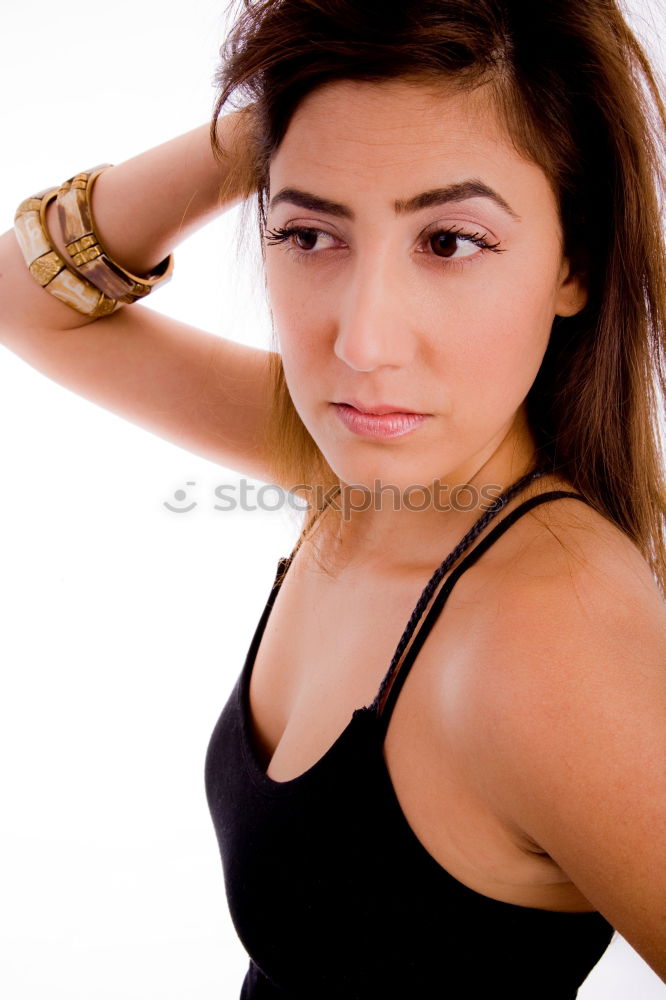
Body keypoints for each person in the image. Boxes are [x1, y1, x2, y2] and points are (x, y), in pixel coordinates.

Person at [1, 0, 664, 996]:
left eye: (449, 242)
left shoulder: (553, 640)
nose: (363, 343)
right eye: (312, 233)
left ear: (574, 258)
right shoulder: (361, 467)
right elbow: (30, 299)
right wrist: (277, 117)